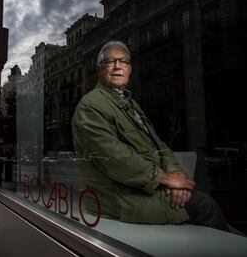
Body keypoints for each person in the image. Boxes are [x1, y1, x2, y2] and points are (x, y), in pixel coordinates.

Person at [72, 41, 229, 231]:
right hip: (121, 199)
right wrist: (165, 178)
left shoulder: (130, 104)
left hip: (143, 188)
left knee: (199, 202)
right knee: (205, 206)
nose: (117, 66)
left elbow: (159, 144)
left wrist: (175, 175)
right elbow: (114, 157)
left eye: (123, 61)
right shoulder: (90, 106)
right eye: (110, 61)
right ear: (99, 70)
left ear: (129, 69)